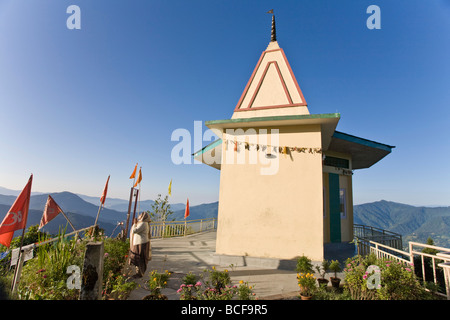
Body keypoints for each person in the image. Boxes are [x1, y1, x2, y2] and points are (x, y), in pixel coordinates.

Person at [129, 212, 151, 278]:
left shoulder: (143, 223)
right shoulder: (144, 223)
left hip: (140, 243)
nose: (139, 216)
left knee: (139, 257)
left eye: (141, 215)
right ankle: (139, 272)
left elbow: (135, 230)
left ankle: (140, 273)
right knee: (140, 258)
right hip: (140, 243)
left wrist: (135, 224)